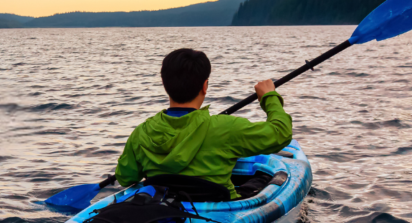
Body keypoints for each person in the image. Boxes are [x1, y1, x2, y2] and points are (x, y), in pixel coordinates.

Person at [114, 48, 292, 200]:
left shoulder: (142, 132)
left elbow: (126, 177)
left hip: (165, 208)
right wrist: (269, 97)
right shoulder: (226, 128)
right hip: (221, 211)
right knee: (262, 177)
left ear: (164, 84)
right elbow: (281, 133)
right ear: (205, 86)